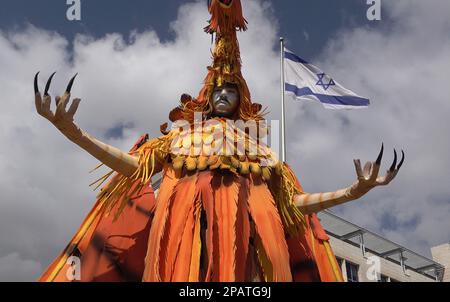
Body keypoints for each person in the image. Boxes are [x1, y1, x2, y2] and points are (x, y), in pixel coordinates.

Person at [36, 0, 403, 282]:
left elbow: (292, 205)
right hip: (179, 260)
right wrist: (74, 132)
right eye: (218, 89)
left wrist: (352, 192)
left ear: (241, 98)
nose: (224, 94)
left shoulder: (262, 154)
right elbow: (132, 167)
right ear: (206, 97)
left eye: (231, 89)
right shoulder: (180, 138)